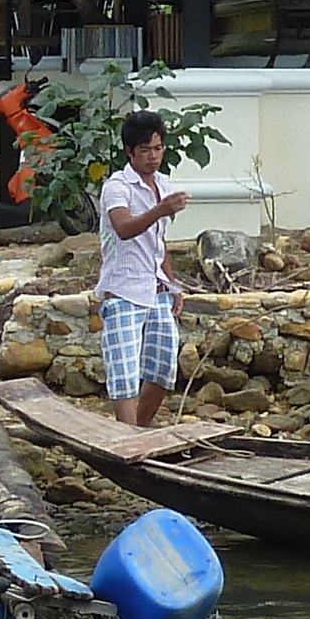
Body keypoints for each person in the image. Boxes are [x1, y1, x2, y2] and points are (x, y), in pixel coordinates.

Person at [93, 109, 190, 427]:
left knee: (163, 369)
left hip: (156, 287)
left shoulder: (162, 183)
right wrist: (160, 209)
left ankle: (138, 432)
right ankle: (127, 441)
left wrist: (173, 284)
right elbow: (123, 227)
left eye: (158, 148)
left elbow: (157, 243)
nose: (152, 156)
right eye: (145, 150)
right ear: (130, 151)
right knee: (123, 373)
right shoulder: (117, 186)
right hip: (123, 289)